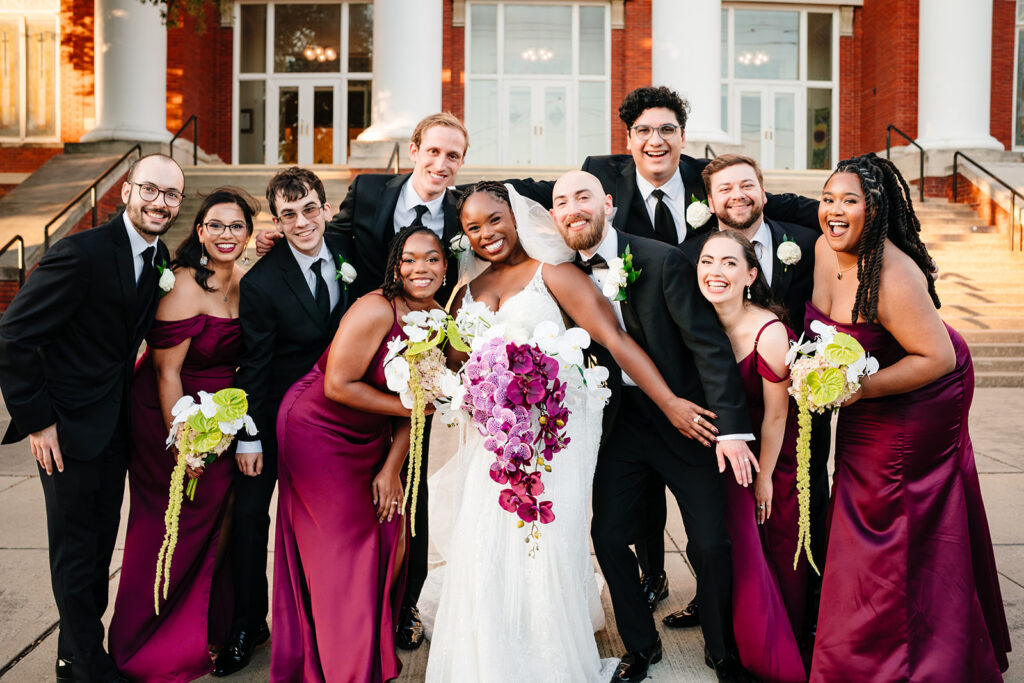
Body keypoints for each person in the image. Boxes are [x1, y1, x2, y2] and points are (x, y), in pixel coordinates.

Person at [424, 180, 716, 683]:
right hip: (492, 447)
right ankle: (491, 655)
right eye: (473, 228)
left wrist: (668, 402)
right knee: (486, 545)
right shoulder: (465, 293)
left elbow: (615, 341)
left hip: (550, 447)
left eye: (495, 219)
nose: (486, 233)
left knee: (542, 548)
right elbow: (454, 365)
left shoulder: (554, 275)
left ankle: (547, 654)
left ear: (516, 216)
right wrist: (458, 385)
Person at [583, 87, 819, 612]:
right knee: (647, 501)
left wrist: (887, 226)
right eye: (644, 130)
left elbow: (778, 201)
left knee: (731, 514)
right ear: (629, 139)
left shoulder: (714, 182)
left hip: (736, 376)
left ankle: (781, 601)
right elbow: (548, 199)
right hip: (655, 375)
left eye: (667, 130)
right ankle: (657, 576)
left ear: (683, 138)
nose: (656, 140)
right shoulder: (601, 177)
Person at [807, 153, 1010, 681]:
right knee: (856, 506)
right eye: (828, 198)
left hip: (923, 395)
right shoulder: (821, 247)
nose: (834, 210)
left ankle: (905, 661)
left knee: (889, 517)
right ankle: (856, 649)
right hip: (872, 390)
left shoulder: (894, 274)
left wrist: (856, 390)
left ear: (874, 210)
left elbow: (936, 359)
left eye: (850, 201)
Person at [548, 171, 755, 683]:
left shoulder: (663, 259)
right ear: (552, 217)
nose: (573, 208)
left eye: (583, 196)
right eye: (560, 202)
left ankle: (722, 648)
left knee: (710, 542)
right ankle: (640, 646)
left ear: (609, 204)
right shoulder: (556, 276)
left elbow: (709, 347)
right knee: (609, 537)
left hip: (688, 420)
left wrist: (730, 428)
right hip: (616, 426)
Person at [0, 153, 182, 683]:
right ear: (126, 191)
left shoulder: (159, 255)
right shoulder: (80, 253)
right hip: (65, 429)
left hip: (113, 427)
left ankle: (73, 654)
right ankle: (83, 665)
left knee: (99, 546)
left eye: (171, 195)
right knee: (77, 551)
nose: (160, 202)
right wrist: (38, 421)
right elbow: (14, 335)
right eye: (150, 189)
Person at [271, 225, 446, 682]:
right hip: (317, 429)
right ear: (394, 265)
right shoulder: (375, 309)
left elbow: (418, 405)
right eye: (408, 259)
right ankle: (344, 668)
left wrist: (392, 467)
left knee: (390, 534)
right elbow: (338, 385)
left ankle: (361, 644)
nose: (419, 268)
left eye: (431, 258)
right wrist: (414, 405)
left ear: (446, 267)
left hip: (373, 435)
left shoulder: (439, 321)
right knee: (340, 550)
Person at [670, 155, 826, 643]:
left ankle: (799, 626)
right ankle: (730, 618)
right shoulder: (692, 260)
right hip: (728, 434)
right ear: (709, 200)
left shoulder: (801, 243)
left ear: (764, 191)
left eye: (746, 186)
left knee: (790, 532)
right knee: (725, 539)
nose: (736, 195)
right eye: (725, 188)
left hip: (782, 429)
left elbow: (779, 414)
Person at [108, 187, 258, 681]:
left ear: (249, 233)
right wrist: (186, 444)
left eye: (236, 226)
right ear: (199, 231)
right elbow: (165, 372)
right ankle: (142, 641)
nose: (226, 235)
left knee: (218, 521)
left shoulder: (243, 280)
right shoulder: (184, 284)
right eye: (215, 225)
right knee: (166, 523)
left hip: (222, 416)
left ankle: (207, 633)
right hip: (169, 416)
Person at [214, 168, 351, 677]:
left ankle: (329, 620)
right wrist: (249, 436)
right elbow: (254, 363)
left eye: (309, 209)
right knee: (250, 517)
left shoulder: (350, 253)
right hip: (274, 415)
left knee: (334, 522)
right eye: (288, 215)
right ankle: (249, 624)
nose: (301, 222)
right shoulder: (263, 282)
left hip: (340, 418)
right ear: (276, 220)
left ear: (326, 208)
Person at [694, 230, 808, 682]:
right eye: (707, 261)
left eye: (728, 263)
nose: (715, 272)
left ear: (750, 275)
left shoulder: (769, 331)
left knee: (765, 548)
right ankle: (728, 636)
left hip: (769, 456)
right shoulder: (697, 319)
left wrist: (766, 480)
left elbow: (778, 416)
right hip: (722, 454)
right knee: (723, 547)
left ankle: (771, 643)